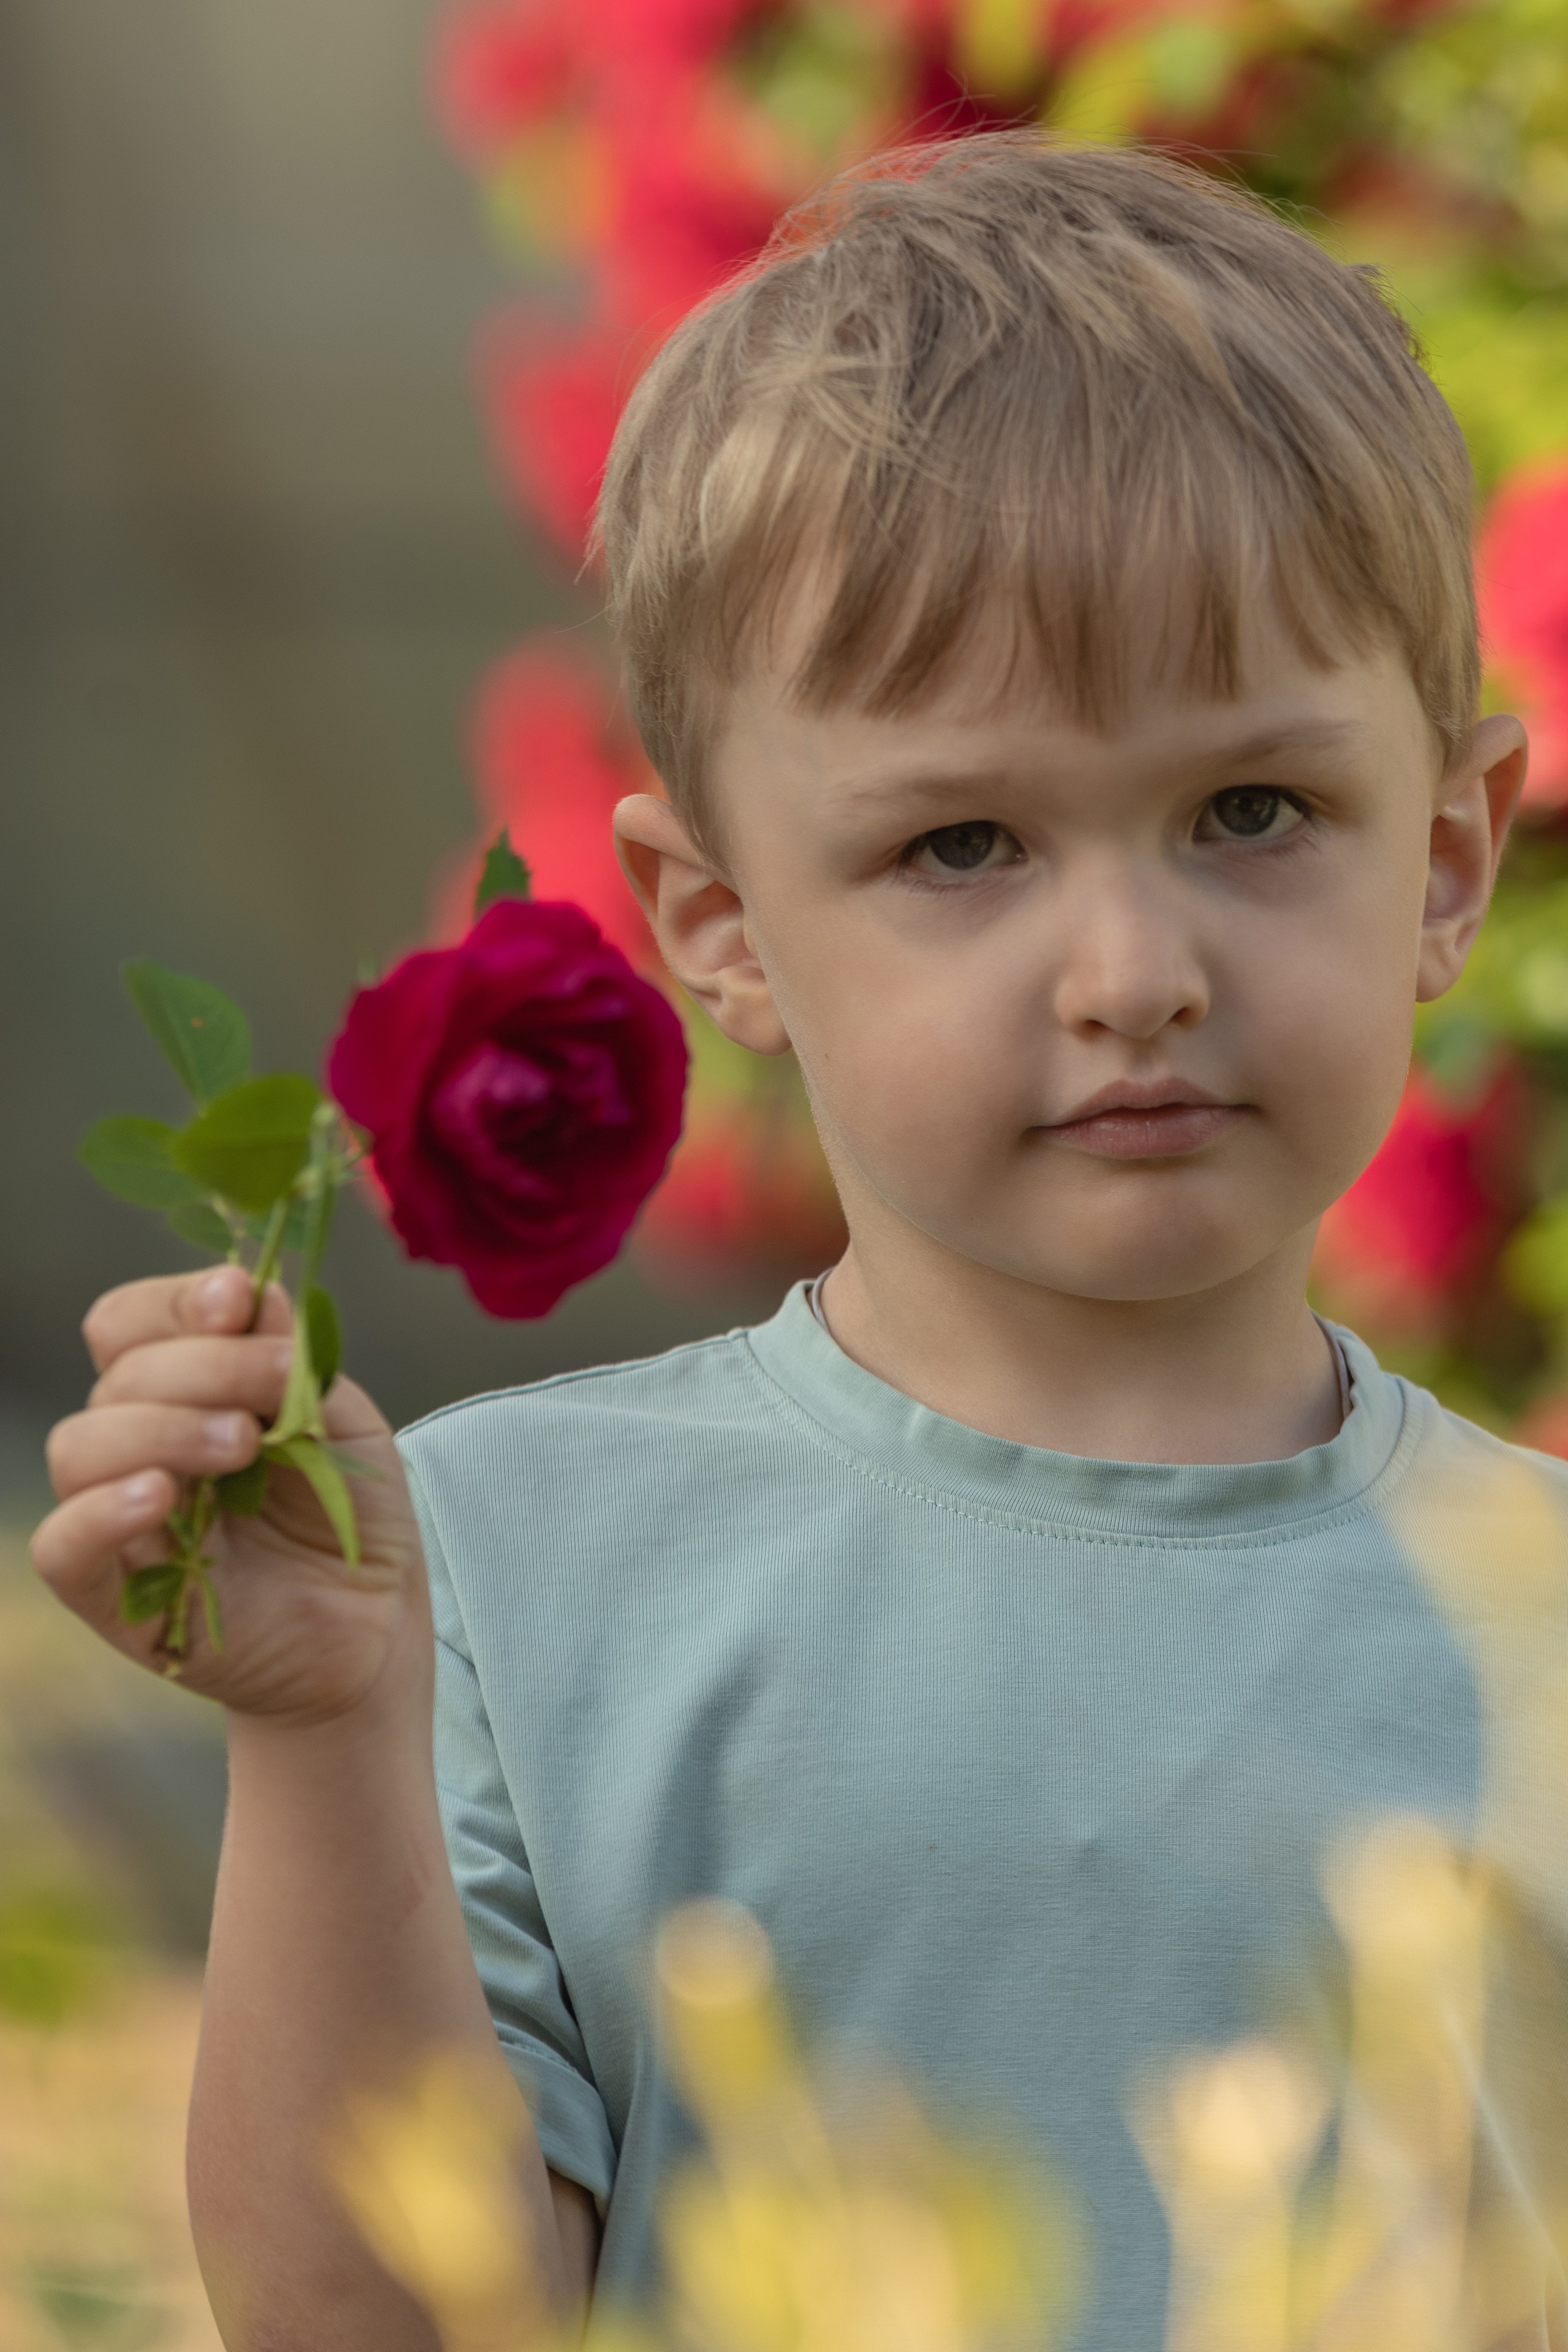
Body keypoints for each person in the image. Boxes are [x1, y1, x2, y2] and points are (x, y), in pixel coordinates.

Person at [31, 132, 1564, 2349]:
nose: (1132, 964)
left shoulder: (1534, 1625)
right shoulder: (476, 1581)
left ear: (1442, 860)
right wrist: (319, 1740)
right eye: (964, 844)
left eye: (1253, 812)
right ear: (720, 930)